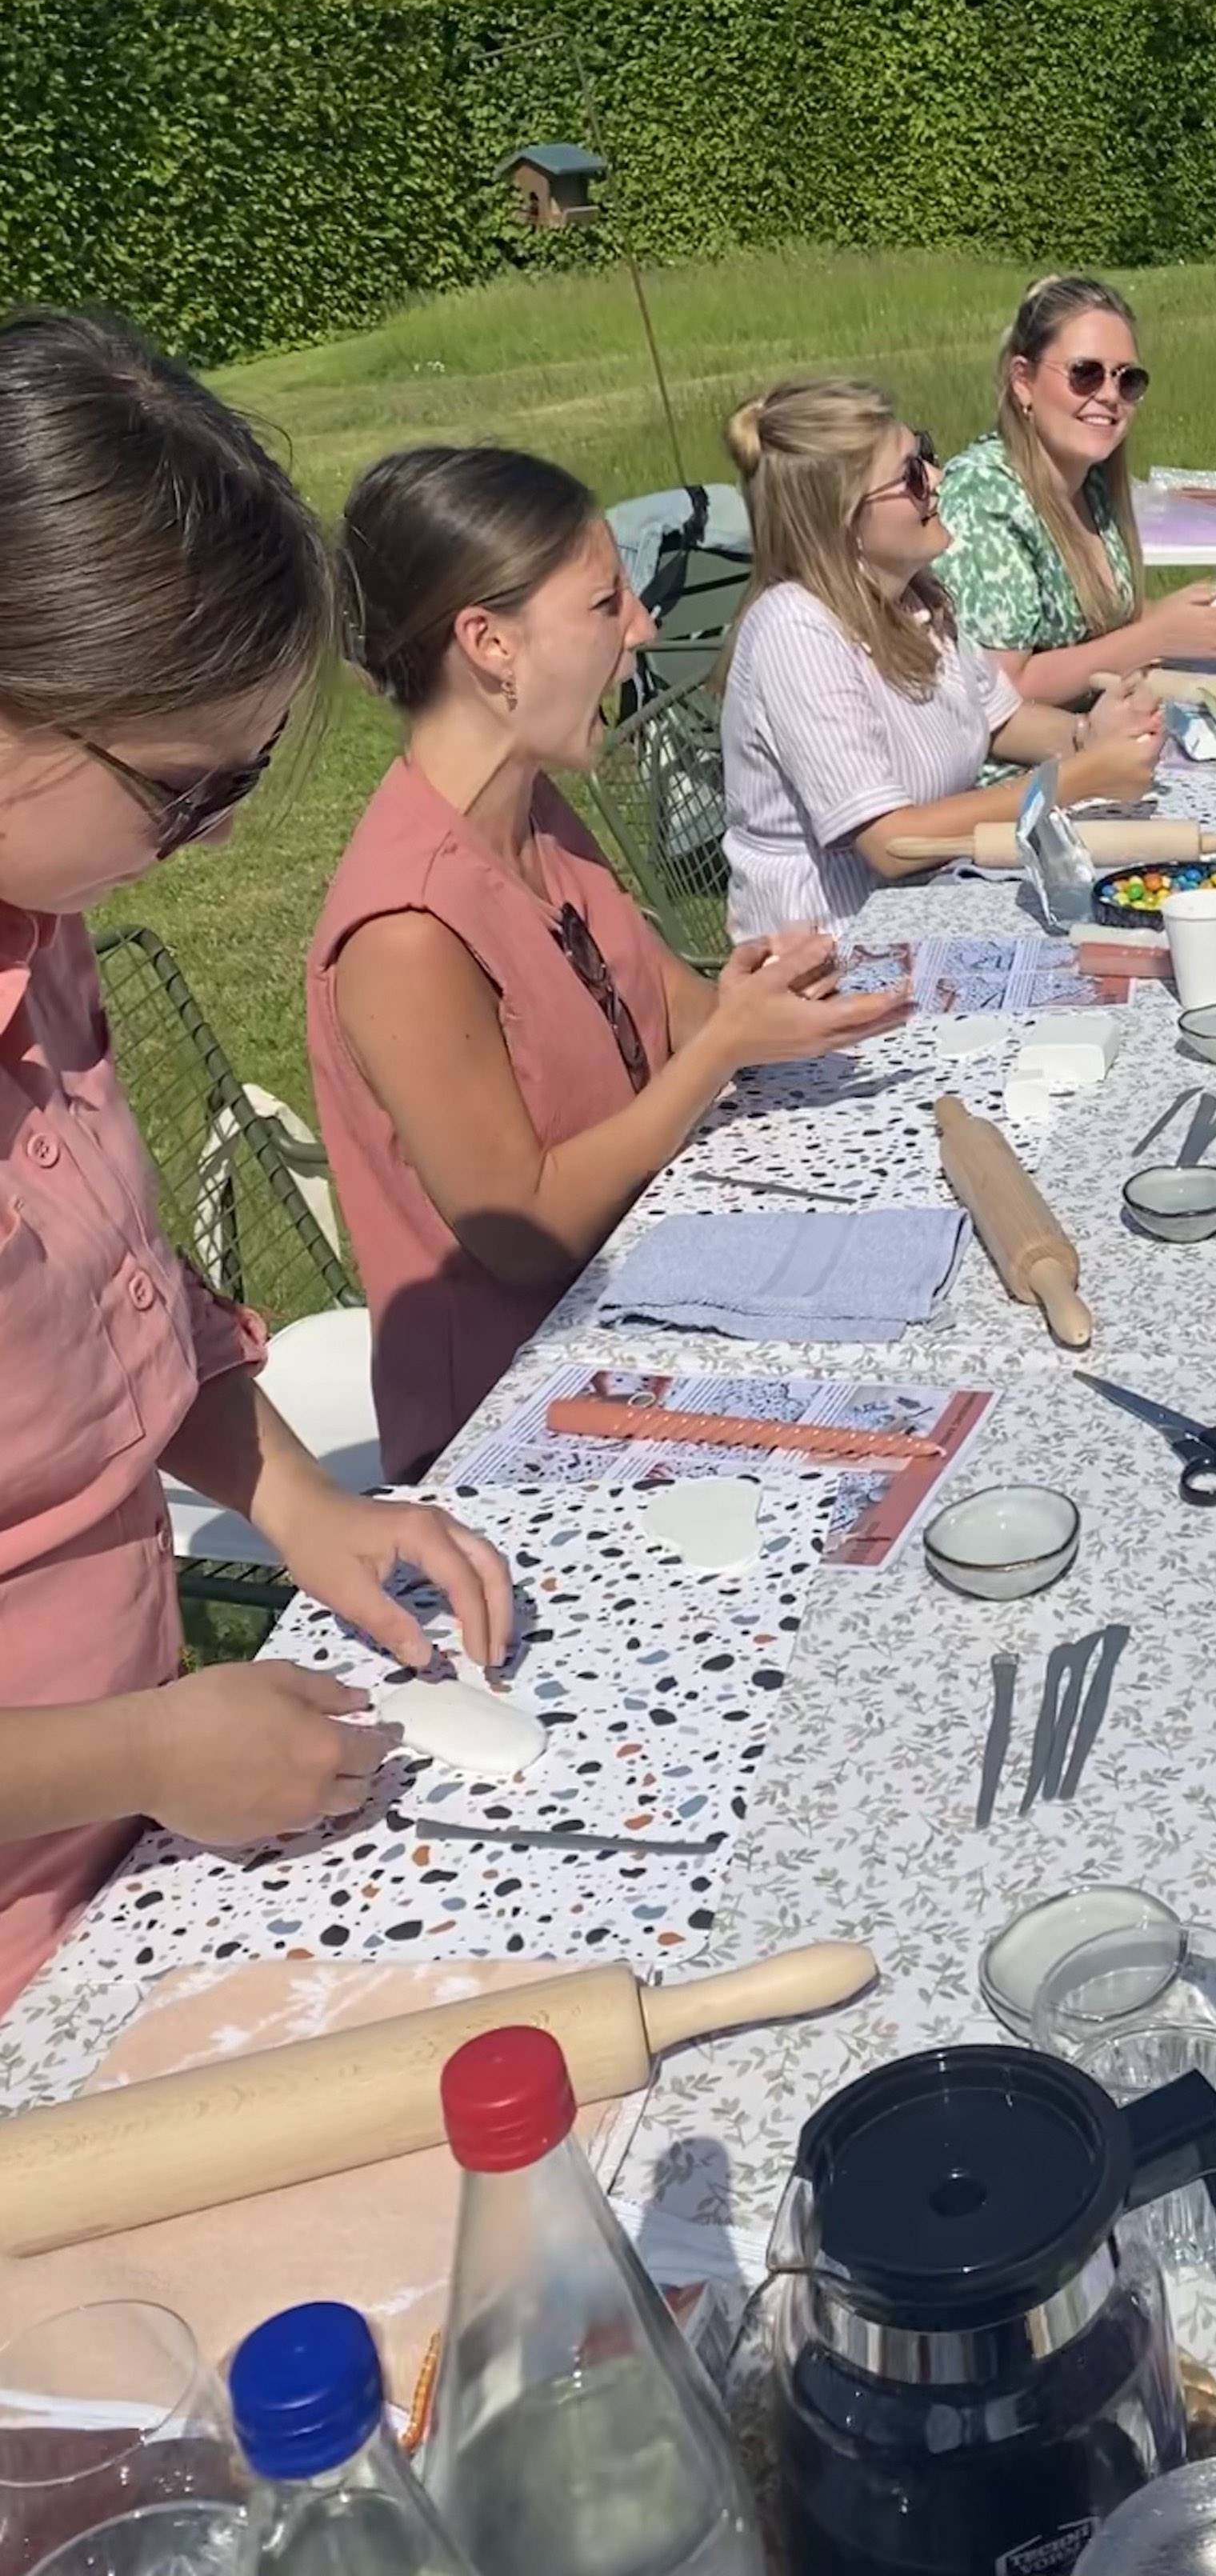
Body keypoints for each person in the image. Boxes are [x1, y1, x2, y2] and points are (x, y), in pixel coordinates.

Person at [0, 310, 512, 2018]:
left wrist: (300, 1504)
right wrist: (144, 1749)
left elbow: (119, 1307)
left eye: (248, 777)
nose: (214, 836)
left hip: (120, 1867)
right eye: (178, 787)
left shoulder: (36, 918)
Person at [311, 447, 912, 1482]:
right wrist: (725, 1048)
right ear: (490, 645)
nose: (644, 627)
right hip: (516, 1433)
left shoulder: (530, 808)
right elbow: (529, 1231)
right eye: (606, 604)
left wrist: (769, 1002)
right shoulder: (406, 930)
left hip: (650, 1313)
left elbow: (674, 1011)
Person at [717, 378, 1166, 937]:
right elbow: (893, 843)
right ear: (844, 520)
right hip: (829, 949)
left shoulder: (912, 598)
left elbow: (998, 718)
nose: (936, 477)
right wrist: (1079, 777)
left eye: (924, 453)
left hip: (928, 908)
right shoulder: (797, 632)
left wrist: (1089, 733)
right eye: (910, 475)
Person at [933, 274, 1216, 699]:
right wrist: (1160, 636)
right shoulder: (984, 497)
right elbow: (1003, 688)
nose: (1111, 395)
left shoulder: (1091, 480)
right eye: (1085, 373)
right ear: (1023, 381)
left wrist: (1185, 618)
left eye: (1128, 380)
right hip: (1049, 743)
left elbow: (1096, 627)